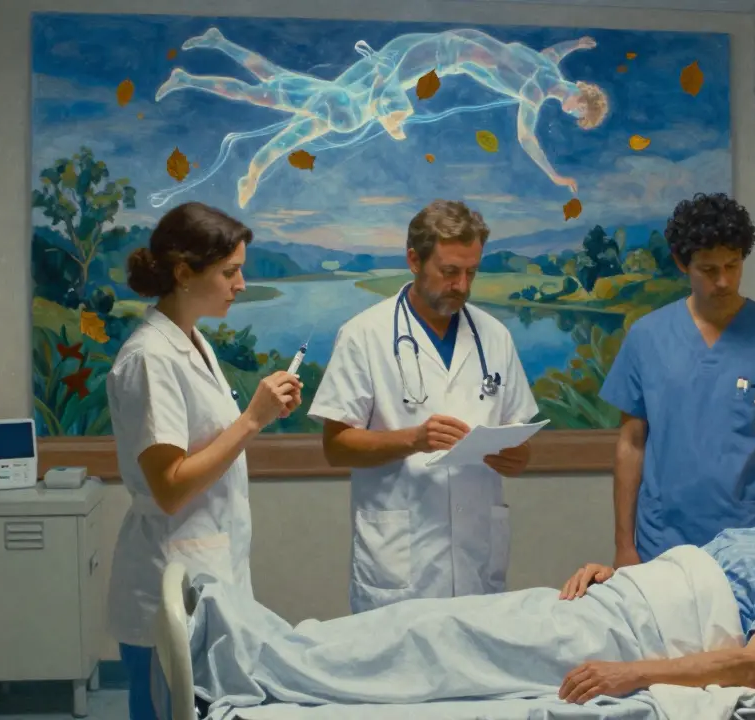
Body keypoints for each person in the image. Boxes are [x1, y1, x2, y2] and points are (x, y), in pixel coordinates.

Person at [185, 440, 755, 717]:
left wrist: (631, 674)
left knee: (432, 637)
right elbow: (699, 579)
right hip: (609, 600)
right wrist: (618, 570)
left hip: (625, 638)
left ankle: (251, 661)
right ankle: (257, 650)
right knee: (427, 625)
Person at [105, 201, 303, 720]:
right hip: (167, 581)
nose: (241, 284)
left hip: (208, 570)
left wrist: (260, 415)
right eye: (229, 272)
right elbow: (169, 487)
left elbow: (207, 446)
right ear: (183, 273)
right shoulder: (150, 358)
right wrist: (252, 419)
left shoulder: (193, 343)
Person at [307, 199, 540, 614]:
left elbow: (519, 443)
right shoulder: (364, 335)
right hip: (399, 569)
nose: (462, 286)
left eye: (471, 272)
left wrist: (516, 457)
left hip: (477, 558)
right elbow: (336, 446)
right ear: (414, 260)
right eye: (449, 271)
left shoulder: (495, 337)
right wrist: (413, 439)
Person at [600, 192, 755, 569]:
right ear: (682, 264)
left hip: (754, 537)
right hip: (663, 536)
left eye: (733, 265)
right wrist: (624, 545)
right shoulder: (646, 337)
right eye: (708, 270)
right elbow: (631, 443)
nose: (724, 281)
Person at [155, 27, 608, 207]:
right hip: (428, 53)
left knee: (277, 96)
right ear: (580, 101)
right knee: (267, 93)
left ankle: (212, 52)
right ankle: (195, 69)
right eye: (578, 113)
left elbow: (553, 52)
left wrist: (578, 45)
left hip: (415, 56)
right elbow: (526, 138)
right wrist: (554, 175)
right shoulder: (536, 89)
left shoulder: (548, 69)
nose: (571, 115)